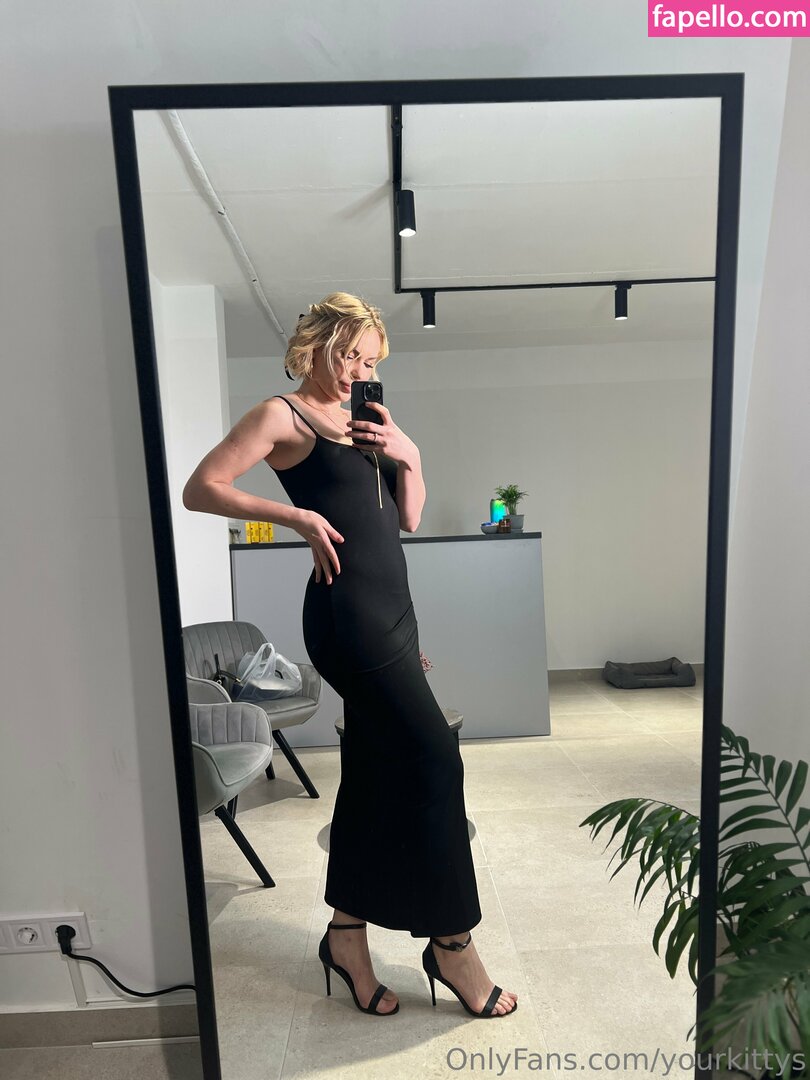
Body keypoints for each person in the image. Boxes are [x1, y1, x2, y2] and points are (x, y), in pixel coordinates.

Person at [183, 292, 517, 1019]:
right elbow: (200, 488)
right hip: (346, 616)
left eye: (369, 362)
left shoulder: (367, 422)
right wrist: (296, 517)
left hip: (392, 612)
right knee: (435, 758)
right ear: (318, 345)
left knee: (371, 772)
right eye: (349, 356)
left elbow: (407, 518)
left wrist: (408, 454)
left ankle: (345, 936)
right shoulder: (284, 415)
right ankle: (452, 943)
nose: (358, 372)